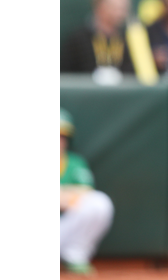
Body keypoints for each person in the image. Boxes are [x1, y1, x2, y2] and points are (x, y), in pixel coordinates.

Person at [60, 108, 114, 275]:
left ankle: (75, 255)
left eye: (62, 136)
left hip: (61, 231)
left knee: (99, 202)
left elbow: (84, 196)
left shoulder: (75, 162)